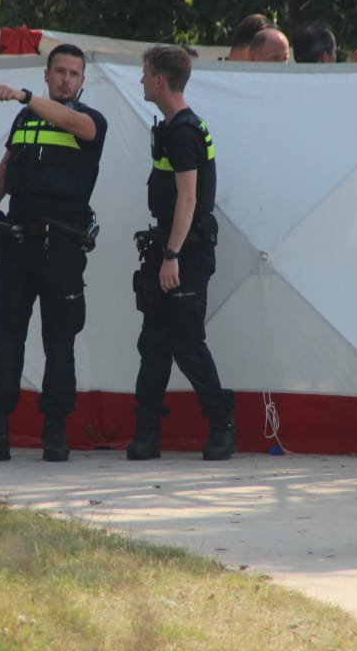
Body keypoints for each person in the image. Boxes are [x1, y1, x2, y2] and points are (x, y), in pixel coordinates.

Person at [0, 44, 108, 463]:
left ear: (82, 81)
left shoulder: (90, 121)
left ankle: (55, 435)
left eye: (73, 73)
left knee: (59, 343)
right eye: (59, 71)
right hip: (16, 248)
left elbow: (69, 121)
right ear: (47, 74)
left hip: (61, 250)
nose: (65, 79)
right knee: (5, 339)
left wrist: (25, 96)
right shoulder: (25, 120)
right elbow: (3, 175)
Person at [127, 45, 235, 461]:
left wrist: (172, 256)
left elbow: (188, 199)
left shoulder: (184, 131)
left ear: (159, 81)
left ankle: (222, 425)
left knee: (187, 343)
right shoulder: (174, 127)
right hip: (168, 247)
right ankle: (147, 432)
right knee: (154, 343)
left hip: (184, 252)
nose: (141, 80)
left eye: (145, 74)